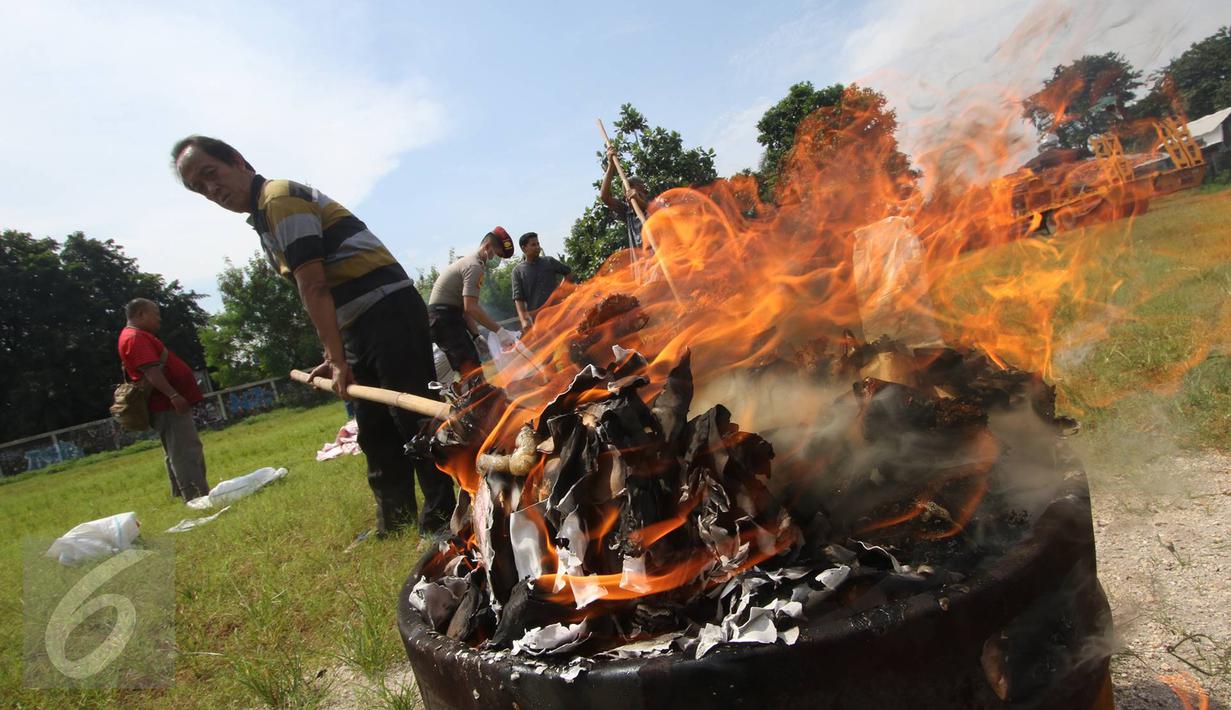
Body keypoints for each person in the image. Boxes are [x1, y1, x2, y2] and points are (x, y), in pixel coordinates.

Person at [171, 135, 455, 537]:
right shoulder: (263, 217)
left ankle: (442, 517)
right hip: (357, 322)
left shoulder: (277, 199)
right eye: (199, 188)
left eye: (210, 174)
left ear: (237, 160)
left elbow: (315, 287)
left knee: (413, 417)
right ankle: (394, 521)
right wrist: (335, 352)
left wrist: (339, 360)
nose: (212, 190)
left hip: (387, 310)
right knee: (373, 428)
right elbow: (322, 292)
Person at [117, 298, 210, 500]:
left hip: (166, 403)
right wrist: (174, 395)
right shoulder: (135, 337)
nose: (159, 319)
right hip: (167, 404)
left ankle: (182, 493)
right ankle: (196, 496)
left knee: (176, 450)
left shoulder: (137, 336)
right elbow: (152, 372)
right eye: (155, 314)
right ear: (141, 314)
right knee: (185, 451)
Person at [427, 229, 516, 379]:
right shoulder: (474, 266)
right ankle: (479, 399)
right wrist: (500, 331)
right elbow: (471, 307)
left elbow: (466, 309)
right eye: (498, 254)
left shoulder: (470, 263)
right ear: (487, 247)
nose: (498, 260)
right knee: (470, 367)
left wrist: (476, 336)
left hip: (445, 318)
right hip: (444, 318)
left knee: (462, 365)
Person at [511, 232, 571, 331]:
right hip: (538, 320)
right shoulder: (518, 271)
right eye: (533, 245)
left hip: (559, 312)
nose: (537, 247)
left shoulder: (549, 261)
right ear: (524, 248)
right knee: (549, 345)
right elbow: (518, 299)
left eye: (538, 244)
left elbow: (569, 273)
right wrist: (523, 321)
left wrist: (561, 289)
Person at [600, 146, 655, 250]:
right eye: (627, 192)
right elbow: (605, 197)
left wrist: (639, 201)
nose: (631, 194)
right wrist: (611, 165)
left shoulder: (656, 204)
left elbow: (656, 211)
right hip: (644, 263)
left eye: (634, 188)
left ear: (644, 191)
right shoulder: (627, 213)